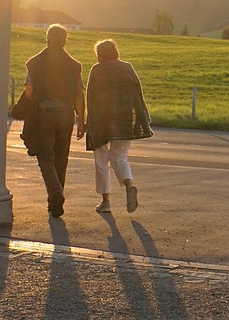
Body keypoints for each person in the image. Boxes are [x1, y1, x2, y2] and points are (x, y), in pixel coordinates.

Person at [24, 24, 86, 218]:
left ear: (48, 38)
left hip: (45, 114)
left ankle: (55, 194)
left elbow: (29, 91)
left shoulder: (36, 62)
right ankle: (54, 202)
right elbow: (78, 94)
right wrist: (81, 121)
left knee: (45, 158)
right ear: (65, 39)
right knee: (61, 158)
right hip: (67, 115)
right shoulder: (74, 65)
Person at [85, 38, 152, 214]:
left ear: (100, 54)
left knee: (101, 160)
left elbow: (90, 97)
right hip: (124, 120)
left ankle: (106, 202)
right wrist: (141, 117)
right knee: (119, 157)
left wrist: (87, 121)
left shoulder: (97, 70)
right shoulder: (127, 67)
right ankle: (129, 184)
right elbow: (138, 94)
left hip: (100, 121)